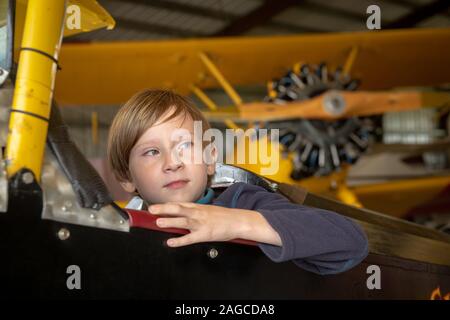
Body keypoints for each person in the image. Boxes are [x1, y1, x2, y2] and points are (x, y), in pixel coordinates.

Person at [107, 89, 368, 275]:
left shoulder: (243, 200)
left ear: (210, 160)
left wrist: (238, 222)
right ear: (126, 177)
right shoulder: (115, 230)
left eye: (185, 145)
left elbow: (351, 242)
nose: (172, 162)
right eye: (151, 152)